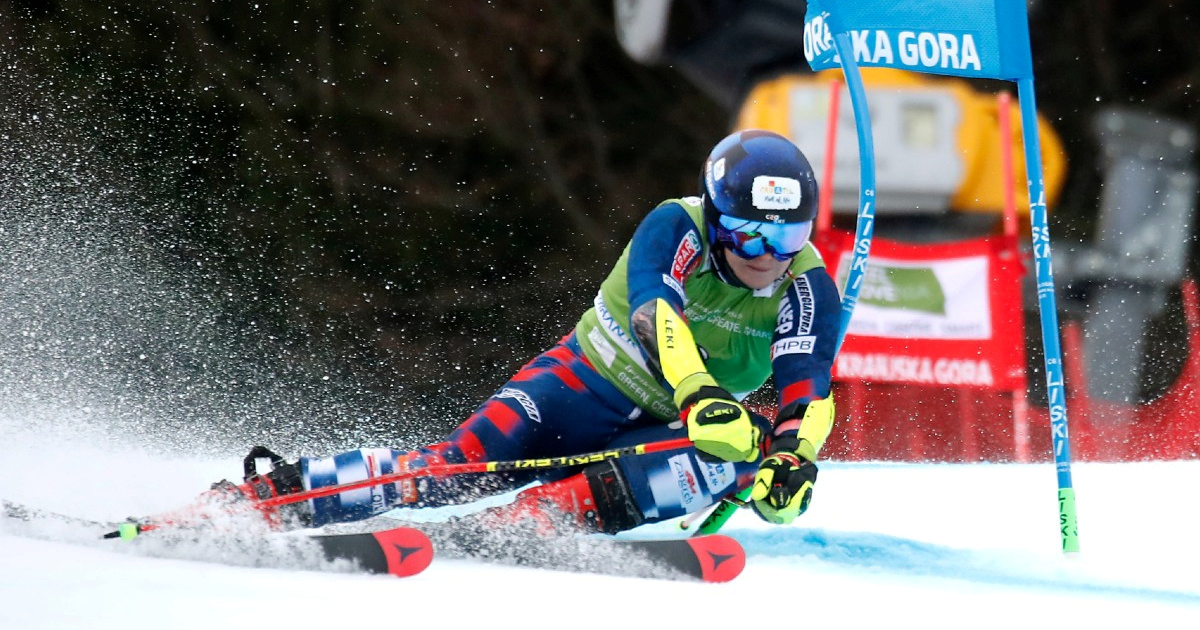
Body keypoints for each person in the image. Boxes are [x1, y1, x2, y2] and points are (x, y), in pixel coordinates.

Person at [237, 129, 842, 537]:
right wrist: (702, 394)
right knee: (456, 468)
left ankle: (535, 523)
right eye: (748, 233)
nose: (767, 255)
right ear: (714, 215)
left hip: (665, 427)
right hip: (578, 387)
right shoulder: (674, 226)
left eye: (788, 236)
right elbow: (655, 316)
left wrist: (793, 461)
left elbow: (807, 388)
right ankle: (270, 497)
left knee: (748, 445)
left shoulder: (806, 286)